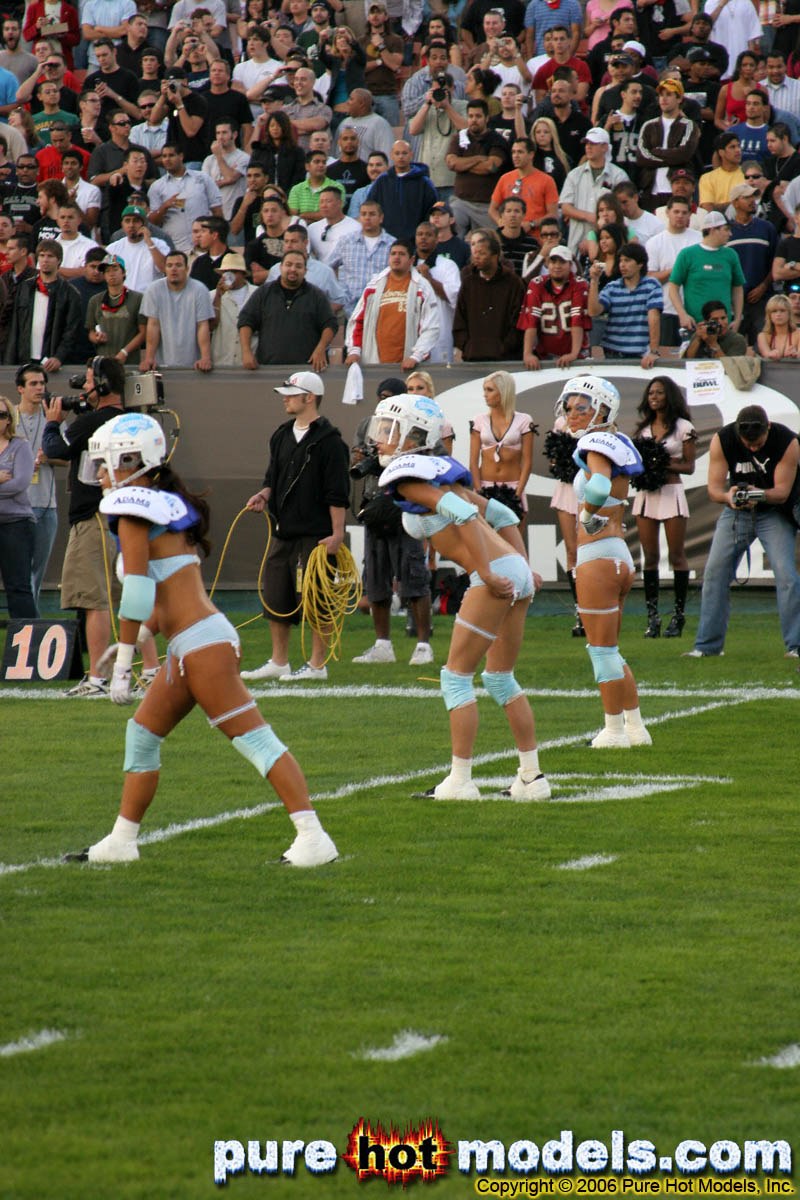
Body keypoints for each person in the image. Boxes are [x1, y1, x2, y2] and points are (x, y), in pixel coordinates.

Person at [63, 411, 337, 867]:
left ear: (133, 461)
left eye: (106, 463)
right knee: (142, 734)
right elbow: (171, 593)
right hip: (195, 641)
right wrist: (143, 634)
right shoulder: (163, 503)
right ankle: (122, 840)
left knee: (255, 740)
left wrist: (126, 659)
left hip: (202, 647)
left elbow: (138, 590)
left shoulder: (133, 509)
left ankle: (313, 837)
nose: (101, 475)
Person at [376, 392, 551, 802]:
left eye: (389, 428)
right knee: (500, 678)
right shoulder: (441, 472)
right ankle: (532, 778)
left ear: (414, 434)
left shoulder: (412, 477)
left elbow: (466, 515)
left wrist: (486, 572)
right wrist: (522, 566)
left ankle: (460, 781)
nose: (380, 437)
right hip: (512, 568)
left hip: (493, 574)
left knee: (455, 678)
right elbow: (502, 515)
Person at [557, 374, 650, 748]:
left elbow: (597, 486)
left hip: (597, 555)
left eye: (582, 407)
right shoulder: (616, 441)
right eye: (569, 407)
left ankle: (613, 732)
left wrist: (585, 515)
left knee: (601, 650)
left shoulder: (595, 443)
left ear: (603, 410)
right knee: (610, 649)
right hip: (617, 554)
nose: (572, 413)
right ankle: (636, 728)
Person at [241, 371, 350, 682]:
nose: (285, 399)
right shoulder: (281, 435)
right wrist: (264, 494)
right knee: (276, 595)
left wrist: (337, 534)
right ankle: (279, 661)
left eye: (291, 394)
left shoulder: (331, 442)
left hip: (316, 536)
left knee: (316, 599)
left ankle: (317, 664)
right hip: (283, 531)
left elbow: (337, 492)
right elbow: (272, 475)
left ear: (309, 398)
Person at [41, 357, 128, 695]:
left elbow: (54, 449)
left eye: (90, 380)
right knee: (124, 600)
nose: (84, 387)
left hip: (92, 518)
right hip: (120, 518)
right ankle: (142, 670)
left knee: (94, 600)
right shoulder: (128, 420)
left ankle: (97, 678)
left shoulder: (93, 421)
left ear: (103, 385)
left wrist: (53, 423)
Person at [685, 404, 800, 658]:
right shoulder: (723, 439)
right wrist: (729, 496)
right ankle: (707, 647)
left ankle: (796, 646)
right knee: (714, 573)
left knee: (787, 576)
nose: (752, 448)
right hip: (736, 513)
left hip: (775, 512)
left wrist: (758, 495)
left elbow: (782, 493)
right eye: (748, 444)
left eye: (757, 443)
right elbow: (714, 489)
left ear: (768, 428)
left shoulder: (787, 441)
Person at [349, 381, 434, 667]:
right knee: (376, 579)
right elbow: (359, 456)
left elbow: (434, 459)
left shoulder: (418, 427)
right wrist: (361, 456)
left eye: (390, 397)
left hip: (405, 506)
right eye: (381, 396)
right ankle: (382, 644)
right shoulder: (368, 425)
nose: (384, 401)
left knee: (414, 578)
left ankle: (423, 645)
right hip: (375, 505)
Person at [631, 376, 696, 639]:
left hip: (672, 493)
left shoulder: (684, 427)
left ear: (669, 395)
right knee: (650, 557)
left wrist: (659, 462)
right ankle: (653, 617)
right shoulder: (642, 430)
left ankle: (678, 616)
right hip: (647, 495)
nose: (654, 397)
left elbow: (689, 466)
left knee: (677, 556)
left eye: (659, 392)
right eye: (650, 393)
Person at [344, 240, 440, 369]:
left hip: (409, 365)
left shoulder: (422, 287)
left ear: (412, 260)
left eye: (402, 254)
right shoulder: (373, 286)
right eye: (393, 253)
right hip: (374, 363)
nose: (396, 257)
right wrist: (354, 350)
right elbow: (357, 321)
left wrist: (416, 356)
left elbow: (431, 326)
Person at [238, 249, 338, 370]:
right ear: (280, 268)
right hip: (268, 369)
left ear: (305, 271)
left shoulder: (316, 295)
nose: (293, 269)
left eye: (298, 266)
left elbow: (330, 324)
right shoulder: (263, 293)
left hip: (307, 370)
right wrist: (246, 352)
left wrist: (321, 349)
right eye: (288, 265)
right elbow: (245, 321)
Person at [469, 370, 535, 534]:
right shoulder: (479, 420)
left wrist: (517, 494)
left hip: (513, 488)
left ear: (504, 392)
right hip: (485, 487)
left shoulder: (524, 420)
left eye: (490, 390)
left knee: (513, 544)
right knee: (486, 544)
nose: (485, 394)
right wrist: (479, 492)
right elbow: (473, 462)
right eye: (484, 389)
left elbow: (527, 462)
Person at [4, 238, 81, 369]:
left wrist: (59, 357)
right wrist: (10, 360)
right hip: (25, 359)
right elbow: (15, 327)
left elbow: (71, 331)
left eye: (50, 256)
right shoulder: (24, 288)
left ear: (59, 260)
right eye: (42, 255)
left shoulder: (70, 293)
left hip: (51, 361)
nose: (45, 260)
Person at [452, 227, 525, 361]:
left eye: (482, 253)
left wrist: (505, 347)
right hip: (472, 357)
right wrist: (466, 346)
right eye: (475, 253)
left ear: (495, 256)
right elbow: (459, 319)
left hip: (505, 359)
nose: (477, 257)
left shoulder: (513, 283)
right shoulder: (468, 283)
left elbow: (518, 322)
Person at [587, 242, 663, 367]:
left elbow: (654, 317)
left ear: (640, 264)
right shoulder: (612, 287)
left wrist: (653, 351)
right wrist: (594, 281)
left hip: (640, 354)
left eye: (627, 260)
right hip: (612, 352)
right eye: (620, 261)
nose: (622, 265)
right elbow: (593, 311)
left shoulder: (652, 285)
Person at [518, 243, 590, 368]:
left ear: (570, 265)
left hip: (576, 354)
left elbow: (577, 319)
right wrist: (527, 353)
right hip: (545, 354)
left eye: (562, 262)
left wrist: (574, 353)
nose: (557, 266)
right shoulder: (537, 284)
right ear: (547, 264)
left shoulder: (579, 284)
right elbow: (531, 320)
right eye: (553, 261)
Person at [140, 250, 214, 371]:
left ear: (187, 269)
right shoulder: (153, 290)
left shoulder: (200, 290)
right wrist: (149, 358)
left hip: (194, 365)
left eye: (178, 265)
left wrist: (205, 358)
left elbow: (202, 325)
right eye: (169, 266)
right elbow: (153, 325)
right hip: (162, 364)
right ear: (165, 269)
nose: (174, 269)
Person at [0, 392, 37, 618]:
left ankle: (27, 637)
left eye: (2, 415)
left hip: (16, 523)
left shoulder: (20, 446)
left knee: (18, 586)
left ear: (9, 419)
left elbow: (20, 483)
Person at [86, 253, 145, 363]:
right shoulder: (95, 301)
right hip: (104, 362)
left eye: (115, 269)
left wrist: (125, 352)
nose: (111, 274)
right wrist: (97, 338)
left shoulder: (138, 298)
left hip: (130, 362)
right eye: (107, 271)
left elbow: (143, 332)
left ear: (123, 272)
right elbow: (91, 332)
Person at [683, 298, 749, 357]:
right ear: (706, 322)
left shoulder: (737, 340)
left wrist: (713, 344)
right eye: (715, 320)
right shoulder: (700, 334)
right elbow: (688, 359)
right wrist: (697, 339)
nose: (721, 323)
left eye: (723, 318)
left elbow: (729, 365)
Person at [756, 293, 800, 358]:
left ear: (789, 313)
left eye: (782, 311)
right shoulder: (763, 336)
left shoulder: (798, 334)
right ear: (769, 315)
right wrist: (771, 354)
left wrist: (795, 354)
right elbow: (766, 354)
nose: (778, 314)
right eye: (774, 311)